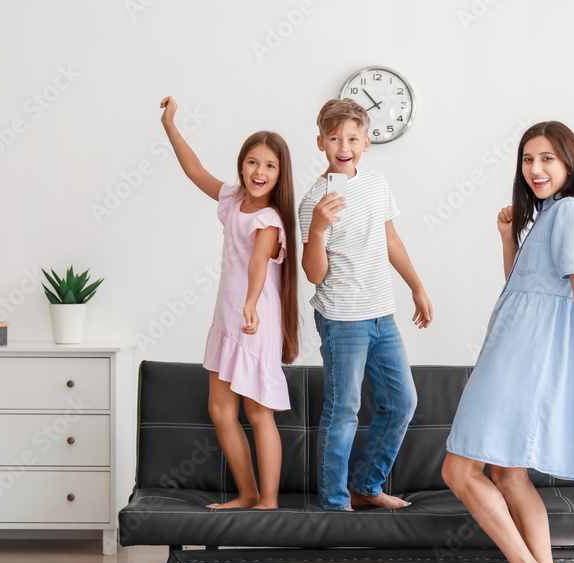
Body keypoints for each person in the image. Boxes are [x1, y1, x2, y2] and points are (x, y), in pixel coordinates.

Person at [442, 121, 574, 563]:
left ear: (570, 163)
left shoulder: (568, 212)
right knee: (509, 475)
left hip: (520, 358)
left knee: (459, 472)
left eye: (547, 158)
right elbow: (521, 290)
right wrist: (508, 239)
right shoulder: (549, 214)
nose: (536, 169)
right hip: (514, 349)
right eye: (527, 159)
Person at [159, 96, 299, 510]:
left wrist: (252, 304)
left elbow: (258, 263)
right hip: (228, 317)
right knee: (221, 410)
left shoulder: (270, 220)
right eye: (253, 162)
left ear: (280, 175)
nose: (260, 172)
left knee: (258, 414)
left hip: (255, 319)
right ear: (242, 165)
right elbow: (194, 170)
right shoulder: (233, 200)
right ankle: (248, 493)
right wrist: (170, 126)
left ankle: (268, 502)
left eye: (270, 166)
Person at [299, 98, 433, 511]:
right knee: (345, 410)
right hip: (342, 319)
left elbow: (391, 240)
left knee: (402, 403)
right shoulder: (313, 202)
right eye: (335, 137)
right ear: (321, 142)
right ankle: (335, 505)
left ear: (366, 143)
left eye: (353, 137)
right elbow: (314, 274)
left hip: (382, 314)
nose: (344, 145)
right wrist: (318, 230)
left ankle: (366, 486)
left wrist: (417, 287)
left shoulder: (376, 185)